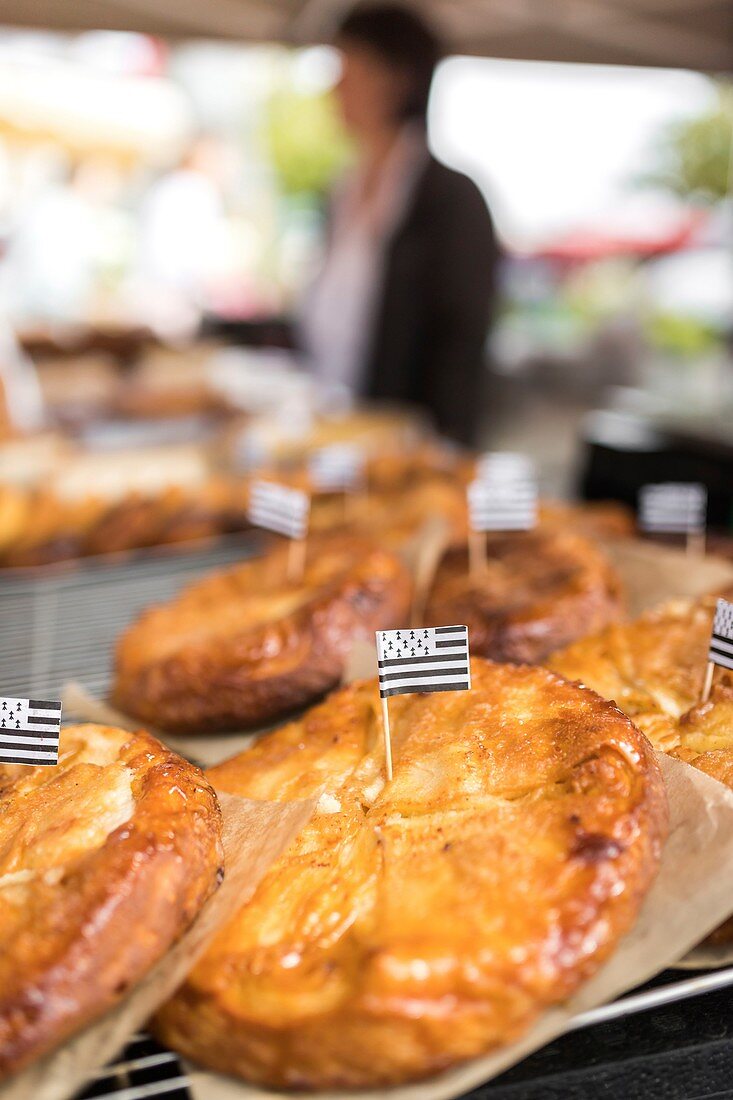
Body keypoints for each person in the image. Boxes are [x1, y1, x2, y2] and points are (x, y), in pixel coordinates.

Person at [301, 2, 499, 445]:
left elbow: (461, 350)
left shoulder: (449, 199)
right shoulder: (341, 191)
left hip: (401, 451)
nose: (335, 87)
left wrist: (438, 456)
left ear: (395, 79)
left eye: (349, 68)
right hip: (331, 433)